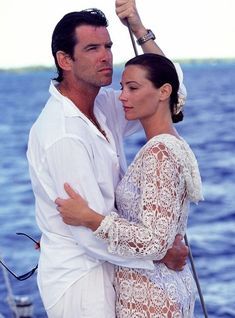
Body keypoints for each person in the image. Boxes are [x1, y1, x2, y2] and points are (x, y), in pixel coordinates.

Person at [27, 1, 188, 317]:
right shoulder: (63, 134)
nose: (106, 56)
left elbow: (170, 92)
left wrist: (140, 31)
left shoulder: (104, 105)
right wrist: (161, 253)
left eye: (108, 46)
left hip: (115, 266)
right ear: (65, 60)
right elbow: (89, 236)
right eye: (92, 48)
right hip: (81, 281)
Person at [56, 53, 204, 317]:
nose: (122, 96)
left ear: (164, 91)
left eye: (133, 88)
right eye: (123, 87)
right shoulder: (170, 142)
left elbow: (155, 242)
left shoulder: (160, 152)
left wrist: (90, 219)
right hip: (155, 292)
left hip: (151, 300)